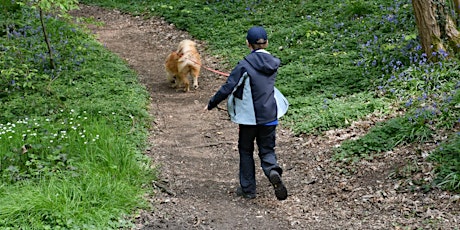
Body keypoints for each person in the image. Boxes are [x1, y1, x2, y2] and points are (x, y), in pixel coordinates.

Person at [204, 26, 288, 200]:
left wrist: (211, 103)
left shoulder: (244, 64)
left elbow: (229, 87)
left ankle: (248, 189)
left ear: (247, 44)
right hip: (270, 115)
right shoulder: (273, 62)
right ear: (267, 43)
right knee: (267, 150)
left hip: (249, 118)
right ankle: (272, 170)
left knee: (245, 149)